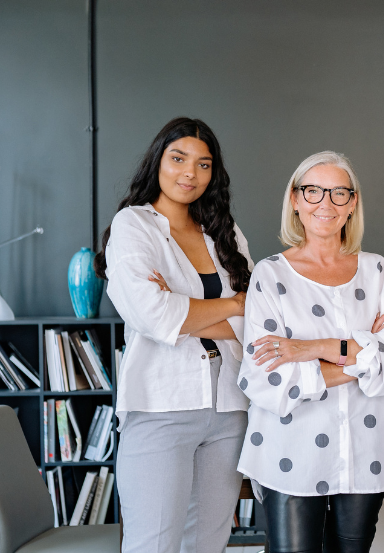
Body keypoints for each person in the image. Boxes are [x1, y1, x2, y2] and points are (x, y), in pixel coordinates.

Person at [236, 151, 384, 553]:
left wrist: (311, 349)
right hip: (290, 447)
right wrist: (366, 352)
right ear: (295, 199)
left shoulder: (379, 271)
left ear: (352, 203)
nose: (326, 203)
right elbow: (267, 376)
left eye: (339, 192)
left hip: (368, 443)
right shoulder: (270, 275)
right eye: (313, 191)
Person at [94, 117, 253, 553]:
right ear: (157, 162)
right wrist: (232, 306)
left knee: (208, 543)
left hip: (229, 406)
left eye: (204, 164)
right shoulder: (134, 225)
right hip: (161, 405)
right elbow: (151, 313)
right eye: (178, 158)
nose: (190, 173)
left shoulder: (224, 231)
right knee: (154, 544)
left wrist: (185, 310)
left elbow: (261, 319)